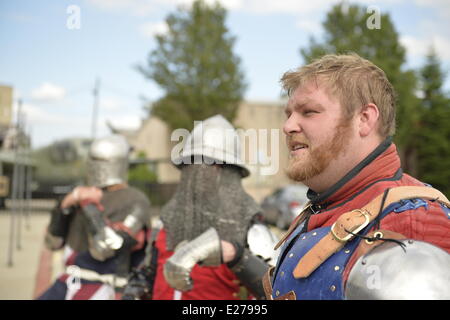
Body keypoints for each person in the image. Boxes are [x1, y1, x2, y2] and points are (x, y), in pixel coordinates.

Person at [263, 53, 450, 300]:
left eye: (308, 112)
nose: (288, 126)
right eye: (289, 114)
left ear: (364, 120)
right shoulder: (317, 214)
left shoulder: (417, 220)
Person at [122, 114, 279, 300]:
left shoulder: (249, 225)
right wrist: (135, 290)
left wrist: (236, 255)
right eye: (192, 162)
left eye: (206, 163)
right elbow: (148, 274)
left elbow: (276, 290)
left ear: (226, 169)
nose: (197, 172)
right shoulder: (169, 219)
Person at [38, 135, 151, 300]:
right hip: (69, 282)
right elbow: (53, 242)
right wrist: (65, 206)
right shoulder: (78, 194)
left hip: (106, 288)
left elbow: (104, 249)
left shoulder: (135, 200)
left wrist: (88, 205)